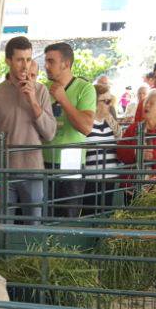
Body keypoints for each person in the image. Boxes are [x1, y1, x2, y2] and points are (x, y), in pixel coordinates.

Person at [0, 38, 55, 220]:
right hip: (4, 171)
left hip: (34, 170)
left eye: (28, 59)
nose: (25, 66)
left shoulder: (41, 91)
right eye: (20, 60)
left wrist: (33, 101)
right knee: (4, 227)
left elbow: (50, 133)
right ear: (8, 61)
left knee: (35, 226)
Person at [43, 42, 95, 219]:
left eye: (51, 61)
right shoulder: (43, 89)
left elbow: (86, 127)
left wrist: (63, 99)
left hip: (71, 163)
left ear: (65, 64)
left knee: (67, 217)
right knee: (43, 217)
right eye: (46, 61)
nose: (46, 66)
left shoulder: (85, 88)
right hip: (44, 161)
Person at [115, 89, 156, 183]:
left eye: (151, 103)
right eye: (146, 102)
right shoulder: (134, 128)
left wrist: (154, 155)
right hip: (132, 183)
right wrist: (137, 153)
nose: (146, 105)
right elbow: (120, 151)